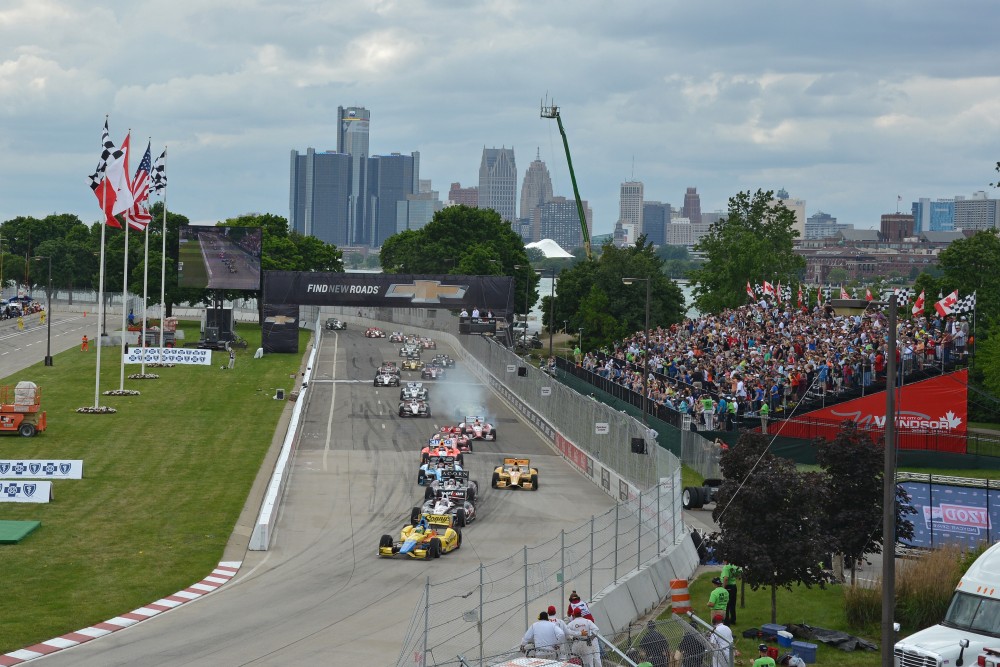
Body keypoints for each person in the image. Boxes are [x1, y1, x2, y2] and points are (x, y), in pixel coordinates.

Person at [721, 559, 741, 625]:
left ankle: (726, 622)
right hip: (734, 586)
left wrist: (723, 588)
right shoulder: (734, 566)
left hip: (728, 587)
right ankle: (733, 620)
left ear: (726, 561)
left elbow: (726, 578)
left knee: (726, 604)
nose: (723, 562)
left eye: (723, 560)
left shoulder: (726, 567)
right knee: (732, 604)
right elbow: (739, 575)